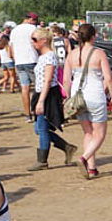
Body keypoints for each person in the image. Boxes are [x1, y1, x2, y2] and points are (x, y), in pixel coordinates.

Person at [63, 24, 112, 179]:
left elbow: (66, 80)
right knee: (100, 134)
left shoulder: (72, 54)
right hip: (95, 96)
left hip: (77, 97)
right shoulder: (99, 53)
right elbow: (109, 78)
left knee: (88, 132)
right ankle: (84, 158)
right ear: (93, 36)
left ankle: (92, 168)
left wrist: (68, 98)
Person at [27, 28, 79, 171]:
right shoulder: (43, 56)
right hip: (41, 93)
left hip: (48, 94)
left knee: (42, 128)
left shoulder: (49, 56)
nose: (32, 42)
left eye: (35, 39)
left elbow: (48, 80)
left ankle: (42, 161)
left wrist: (41, 101)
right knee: (39, 128)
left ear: (44, 40)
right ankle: (66, 147)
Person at [11, 12, 40, 122]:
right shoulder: (33, 28)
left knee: (25, 88)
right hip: (32, 59)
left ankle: (28, 115)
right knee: (39, 87)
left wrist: (15, 58)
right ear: (31, 20)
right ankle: (38, 111)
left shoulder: (15, 30)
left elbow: (12, 47)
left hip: (19, 61)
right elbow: (37, 43)